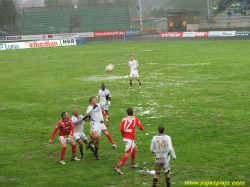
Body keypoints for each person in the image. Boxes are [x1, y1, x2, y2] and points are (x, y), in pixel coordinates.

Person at [114, 108, 145, 174]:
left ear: (127, 113)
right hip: (130, 139)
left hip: (125, 137)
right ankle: (118, 167)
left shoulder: (123, 119)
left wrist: (124, 135)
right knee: (127, 155)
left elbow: (121, 128)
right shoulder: (135, 118)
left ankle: (132, 164)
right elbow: (140, 126)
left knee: (135, 148)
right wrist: (142, 129)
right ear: (132, 113)